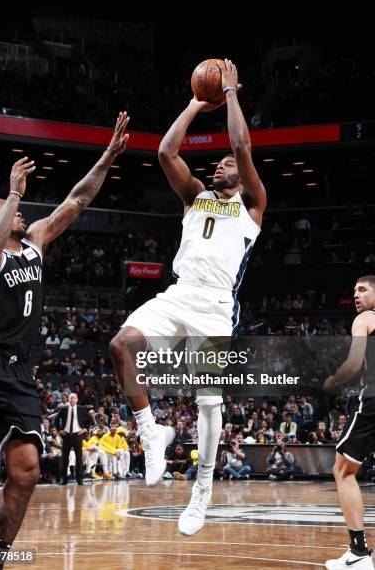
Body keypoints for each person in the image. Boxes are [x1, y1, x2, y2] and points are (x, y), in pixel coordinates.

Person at [110, 59, 266, 536]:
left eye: (225, 164)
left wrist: (232, 92)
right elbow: (164, 151)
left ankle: (202, 492)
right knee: (121, 345)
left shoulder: (252, 204)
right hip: (178, 293)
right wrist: (197, 104)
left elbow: (241, 144)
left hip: (218, 305)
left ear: (237, 175)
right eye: (216, 163)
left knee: (208, 404)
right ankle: (150, 430)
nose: (219, 164)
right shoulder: (195, 195)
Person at [0, 112, 130, 568]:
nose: (19, 212)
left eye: (15, 206)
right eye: (5, 209)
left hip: (19, 372)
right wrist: (13, 192)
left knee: (27, 472)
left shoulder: (35, 240)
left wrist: (107, 156)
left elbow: (75, 201)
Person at [323, 276, 375, 569]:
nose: (355, 294)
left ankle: (358, 553)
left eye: (362, 289)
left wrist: (333, 380)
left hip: (372, 401)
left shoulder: (366, 318)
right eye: (353, 289)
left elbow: (354, 364)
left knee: (343, 470)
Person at [56, 392, 92, 485]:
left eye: (74, 398)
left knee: (79, 458)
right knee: (65, 458)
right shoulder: (63, 409)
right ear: (68, 399)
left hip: (77, 435)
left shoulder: (81, 409)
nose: (72, 399)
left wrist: (84, 429)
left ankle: (79, 480)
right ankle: (64, 480)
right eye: (70, 398)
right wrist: (59, 429)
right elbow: (56, 419)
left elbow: (90, 419)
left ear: (77, 399)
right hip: (66, 436)